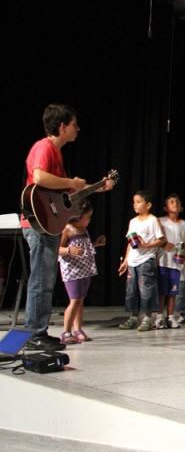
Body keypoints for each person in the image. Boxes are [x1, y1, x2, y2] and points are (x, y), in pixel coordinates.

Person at [21, 103, 114, 350]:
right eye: (74, 124)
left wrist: (96, 187)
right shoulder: (45, 147)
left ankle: (38, 331)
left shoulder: (57, 153)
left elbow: (64, 198)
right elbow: (39, 177)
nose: (78, 129)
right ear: (62, 126)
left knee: (45, 280)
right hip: (38, 225)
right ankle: (34, 333)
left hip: (49, 224)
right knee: (41, 281)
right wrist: (71, 182)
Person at [57, 201, 105, 344]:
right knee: (74, 300)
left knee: (80, 300)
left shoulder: (84, 229)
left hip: (85, 268)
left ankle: (78, 329)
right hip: (72, 270)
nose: (89, 220)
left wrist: (96, 243)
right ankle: (66, 332)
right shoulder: (67, 229)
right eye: (88, 217)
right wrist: (68, 251)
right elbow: (57, 249)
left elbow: (83, 247)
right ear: (77, 217)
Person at [118, 191, 166, 331]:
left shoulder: (152, 220)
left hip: (146, 260)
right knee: (131, 290)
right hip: (133, 261)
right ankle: (133, 318)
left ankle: (147, 318)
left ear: (148, 205)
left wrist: (147, 245)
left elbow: (161, 239)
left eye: (138, 201)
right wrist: (126, 260)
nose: (135, 204)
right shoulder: (132, 221)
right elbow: (130, 242)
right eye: (134, 202)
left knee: (147, 290)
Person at [156, 194, 185, 329]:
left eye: (177, 202)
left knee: (172, 292)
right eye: (171, 202)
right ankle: (158, 317)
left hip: (176, 263)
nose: (175, 204)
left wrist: (184, 251)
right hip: (163, 261)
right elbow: (155, 238)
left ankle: (170, 316)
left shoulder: (183, 224)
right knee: (161, 291)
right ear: (165, 207)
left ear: (181, 208)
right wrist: (163, 245)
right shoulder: (160, 221)